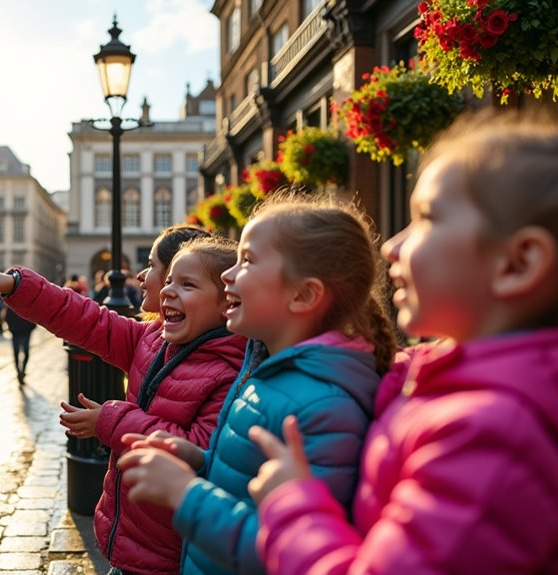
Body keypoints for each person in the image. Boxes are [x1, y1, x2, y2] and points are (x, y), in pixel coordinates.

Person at [247, 115, 558, 574]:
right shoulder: (457, 391)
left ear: (518, 263)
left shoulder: (491, 433)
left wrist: (292, 505)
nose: (391, 246)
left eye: (427, 218)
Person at [117, 194, 397, 575]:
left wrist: (186, 495)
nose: (229, 275)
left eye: (247, 260)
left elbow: (292, 553)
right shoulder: (265, 366)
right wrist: (200, 462)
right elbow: (253, 487)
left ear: (303, 295)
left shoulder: (324, 407)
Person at [0, 225, 245, 575]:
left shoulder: (230, 371)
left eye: (185, 284)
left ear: (228, 302)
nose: (166, 290)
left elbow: (199, 451)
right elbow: (87, 319)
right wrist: (17, 284)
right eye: (168, 280)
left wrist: (109, 421)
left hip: (170, 554)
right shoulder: (152, 339)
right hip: (128, 538)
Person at [2, 306, 36, 384]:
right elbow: (7, 317)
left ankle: (21, 372)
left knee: (23, 353)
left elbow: (34, 318)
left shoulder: (26, 304)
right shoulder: (13, 303)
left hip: (23, 332)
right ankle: (19, 373)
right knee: (19, 353)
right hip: (17, 332)